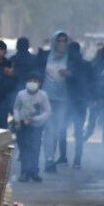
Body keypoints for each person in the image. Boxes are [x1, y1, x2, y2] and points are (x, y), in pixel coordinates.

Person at [37, 30, 72, 172]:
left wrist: (69, 74)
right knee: (49, 129)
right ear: (54, 42)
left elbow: (79, 76)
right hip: (46, 98)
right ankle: (49, 160)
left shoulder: (70, 58)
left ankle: (52, 156)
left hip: (63, 99)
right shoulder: (45, 56)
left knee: (58, 130)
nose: (62, 43)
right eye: (59, 40)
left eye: (64, 41)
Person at [12, 73, 51, 182]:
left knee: (35, 147)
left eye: (35, 81)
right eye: (30, 80)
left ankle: (34, 171)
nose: (32, 83)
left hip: (36, 126)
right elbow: (16, 108)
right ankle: (24, 172)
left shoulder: (43, 95)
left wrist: (36, 119)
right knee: (24, 148)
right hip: (22, 124)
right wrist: (17, 120)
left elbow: (47, 111)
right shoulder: (21, 94)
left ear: (40, 83)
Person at [65, 40, 93, 168]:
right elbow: (92, 82)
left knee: (61, 130)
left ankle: (64, 157)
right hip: (80, 101)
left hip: (71, 101)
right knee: (77, 131)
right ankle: (77, 159)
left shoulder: (67, 64)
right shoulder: (86, 64)